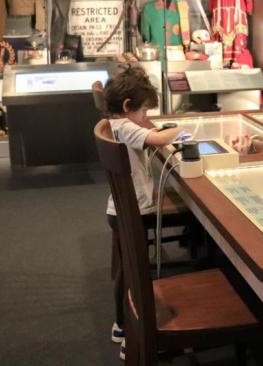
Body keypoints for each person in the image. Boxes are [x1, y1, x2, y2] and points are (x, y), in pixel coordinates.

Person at [97, 66, 182, 360]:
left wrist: (152, 126)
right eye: (143, 111)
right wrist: (179, 130)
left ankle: (121, 325)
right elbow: (157, 140)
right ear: (126, 107)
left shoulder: (117, 124)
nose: (146, 117)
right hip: (131, 212)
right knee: (134, 271)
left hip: (120, 209)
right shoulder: (125, 128)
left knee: (127, 269)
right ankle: (130, 332)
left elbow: (146, 130)